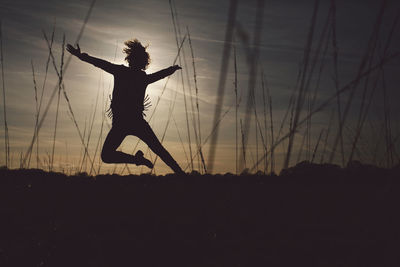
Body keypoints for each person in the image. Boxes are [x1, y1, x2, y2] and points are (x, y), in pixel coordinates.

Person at [66, 39, 184, 174]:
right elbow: (100, 63)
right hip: (127, 124)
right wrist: (171, 69)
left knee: (154, 150)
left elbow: (100, 63)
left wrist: (82, 57)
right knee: (157, 150)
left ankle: (179, 174)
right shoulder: (133, 75)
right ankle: (173, 171)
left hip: (129, 123)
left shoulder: (128, 73)